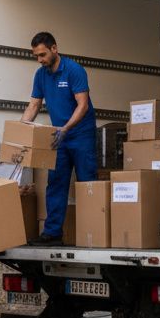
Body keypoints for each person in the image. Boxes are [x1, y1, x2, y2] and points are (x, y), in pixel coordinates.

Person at [22, 31, 97, 246]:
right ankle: (53, 233)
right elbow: (34, 105)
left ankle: (93, 232)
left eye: (43, 54)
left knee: (87, 183)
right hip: (58, 137)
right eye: (36, 56)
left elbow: (83, 105)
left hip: (81, 134)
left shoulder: (74, 70)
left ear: (54, 48)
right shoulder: (41, 75)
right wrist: (21, 130)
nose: (40, 60)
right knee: (55, 183)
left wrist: (66, 128)